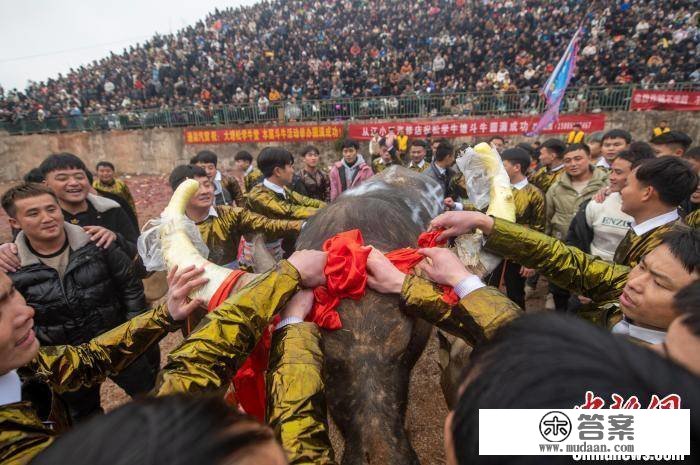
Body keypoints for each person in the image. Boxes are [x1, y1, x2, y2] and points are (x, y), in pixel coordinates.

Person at [0, 265, 207, 464]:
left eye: (12, 292)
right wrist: (214, 341)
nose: (27, 312)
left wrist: (165, 315)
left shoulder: (17, 365)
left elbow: (87, 360)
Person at [1, 183, 160, 421]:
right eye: (33, 213)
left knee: (153, 399)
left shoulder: (97, 242)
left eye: (51, 209)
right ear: (15, 222)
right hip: (66, 361)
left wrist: (133, 333)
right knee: (83, 420)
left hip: (118, 345)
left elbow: (130, 286)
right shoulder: (12, 267)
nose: (47, 218)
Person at [429, 210, 700, 343]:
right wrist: (484, 223)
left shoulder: (668, 381)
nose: (635, 282)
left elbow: (538, 354)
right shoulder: (626, 285)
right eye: (641, 266)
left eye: (660, 282)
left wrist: (465, 282)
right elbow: (567, 260)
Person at [0, 153, 140, 274]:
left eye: (79, 177)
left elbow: (137, 249)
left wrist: (115, 238)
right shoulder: (40, 219)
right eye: (62, 178)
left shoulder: (111, 208)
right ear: (45, 184)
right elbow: (21, 251)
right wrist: (7, 251)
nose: (73, 183)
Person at [167, 164, 302, 267]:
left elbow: (267, 224)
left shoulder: (230, 214)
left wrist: (301, 225)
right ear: (179, 192)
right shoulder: (171, 228)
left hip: (231, 285)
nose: (204, 191)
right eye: (196, 187)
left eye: (207, 185)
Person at [546, 144, 607, 311]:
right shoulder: (556, 188)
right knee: (560, 292)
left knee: (585, 299)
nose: (573, 164)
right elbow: (547, 220)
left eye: (578, 159)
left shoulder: (605, 185)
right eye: (567, 160)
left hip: (591, 252)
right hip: (561, 250)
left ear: (589, 158)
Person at [566, 148, 655, 261]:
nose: (611, 177)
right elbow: (576, 240)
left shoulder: (658, 211)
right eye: (611, 171)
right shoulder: (597, 202)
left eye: (618, 172)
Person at [614, 156, 698, 267]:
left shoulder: (668, 246)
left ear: (647, 192)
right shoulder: (649, 229)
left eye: (626, 185)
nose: (622, 191)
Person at [486, 148, 544, 309]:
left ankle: (517, 327)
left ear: (516, 167)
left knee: (515, 293)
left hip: (519, 251)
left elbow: (538, 230)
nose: (499, 169)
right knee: (489, 287)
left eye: (503, 165)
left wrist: (530, 261)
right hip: (494, 246)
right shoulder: (498, 188)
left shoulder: (535, 194)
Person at [246, 148, 325, 258]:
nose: (293, 171)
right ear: (278, 171)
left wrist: (329, 207)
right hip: (260, 253)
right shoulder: (258, 195)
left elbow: (305, 201)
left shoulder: (283, 189)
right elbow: (288, 210)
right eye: (290, 166)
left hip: (278, 246)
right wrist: (325, 213)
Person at [423, 141, 468, 211]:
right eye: (453, 156)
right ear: (448, 157)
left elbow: (458, 197)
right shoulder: (427, 176)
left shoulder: (452, 173)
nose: (453, 159)